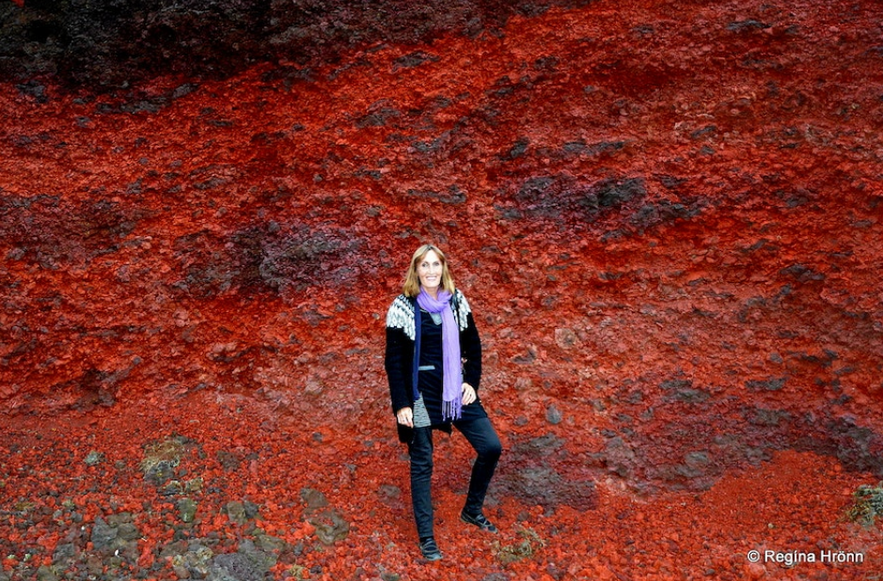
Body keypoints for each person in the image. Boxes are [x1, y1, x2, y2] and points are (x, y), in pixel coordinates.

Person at [384, 243, 503, 561]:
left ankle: (472, 511)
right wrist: (402, 405)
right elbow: (393, 361)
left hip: (453, 393)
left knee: (491, 446)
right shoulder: (402, 307)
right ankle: (427, 538)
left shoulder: (457, 302)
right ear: (416, 270)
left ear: (444, 268)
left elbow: (474, 346)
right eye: (424, 265)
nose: (431, 271)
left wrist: (471, 383)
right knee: (422, 462)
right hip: (420, 396)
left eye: (436, 265)